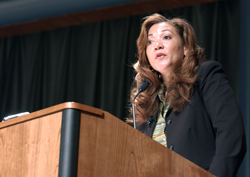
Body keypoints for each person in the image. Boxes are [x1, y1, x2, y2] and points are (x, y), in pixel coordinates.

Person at [127, 13, 246, 177]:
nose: (157, 45)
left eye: (166, 37)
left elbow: (231, 135)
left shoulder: (206, 76)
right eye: (150, 41)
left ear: (185, 48)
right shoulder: (145, 101)